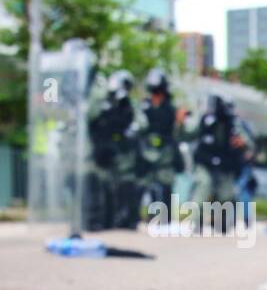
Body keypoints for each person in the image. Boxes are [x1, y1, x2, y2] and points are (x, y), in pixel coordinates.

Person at [86, 70, 140, 230]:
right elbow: (91, 118)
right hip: (100, 149)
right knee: (99, 184)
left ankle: (122, 220)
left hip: (120, 151)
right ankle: (97, 221)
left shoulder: (127, 104)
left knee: (122, 185)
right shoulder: (99, 98)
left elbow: (136, 123)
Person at [188, 93, 249, 233]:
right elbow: (189, 133)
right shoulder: (204, 120)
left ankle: (223, 223)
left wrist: (242, 144)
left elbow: (248, 144)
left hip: (226, 166)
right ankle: (196, 222)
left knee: (226, 195)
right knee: (204, 186)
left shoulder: (234, 124)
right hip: (205, 163)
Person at [137, 68, 183, 209]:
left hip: (166, 152)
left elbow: (177, 132)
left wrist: (180, 122)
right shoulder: (144, 107)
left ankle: (164, 218)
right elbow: (140, 128)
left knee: (165, 184)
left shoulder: (171, 108)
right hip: (147, 151)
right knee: (144, 183)